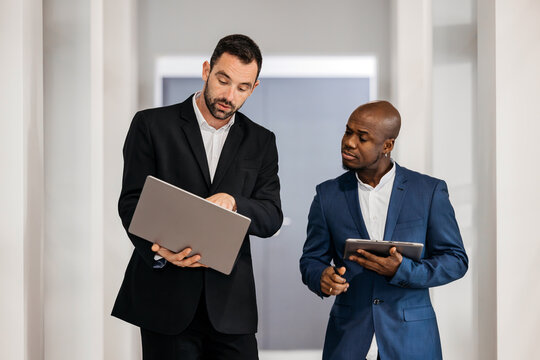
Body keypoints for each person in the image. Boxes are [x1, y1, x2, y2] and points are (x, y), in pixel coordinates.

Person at [112, 34, 283, 360]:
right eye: (223, 80)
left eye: (242, 87)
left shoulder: (261, 141)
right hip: (166, 299)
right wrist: (159, 251)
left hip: (232, 306)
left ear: (254, 88)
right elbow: (131, 201)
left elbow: (271, 215)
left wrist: (234, 202)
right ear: (207, 70)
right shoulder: (151, 125)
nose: (229, 95)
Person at [299, 101, 468, 360]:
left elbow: (455, 261)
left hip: (412, 343)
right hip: (348, 341)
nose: (349, 142)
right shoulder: (327, 195)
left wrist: (401, 270)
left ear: (387, 146)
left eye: (362, 137)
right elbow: (311, 259)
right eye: (347, 132)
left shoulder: (428, 192)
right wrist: (321, 276)